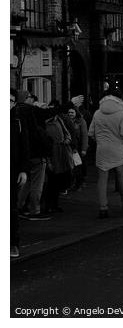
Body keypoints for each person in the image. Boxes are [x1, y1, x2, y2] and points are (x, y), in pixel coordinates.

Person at [88, 89, 123, 218]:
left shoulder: (97, 113)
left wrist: (99, 140)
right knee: (121, 176)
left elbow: (91, 132)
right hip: (117, 148)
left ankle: (103, 207)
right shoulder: (122, 113)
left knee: (102, 179)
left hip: (102, 148)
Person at [15, 90, 53, 221]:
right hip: (37, 154)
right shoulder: (33, 116)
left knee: (26, 183)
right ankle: (34, 210)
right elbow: (42, 138)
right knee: (37, 184)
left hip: (25, 155)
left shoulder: (16, 114)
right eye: (30, 97)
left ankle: (18, 207)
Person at [11, 89, 29, 258]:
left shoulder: (17, 121)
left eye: (11, 101)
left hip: (13, 170)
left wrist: (24, 170)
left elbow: (24, 147)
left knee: (11, 208)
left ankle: (13, 243)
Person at [67, 105, 89, 192]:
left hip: (78, 146)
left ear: (76, 113)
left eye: (72, 112)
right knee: (70, 166)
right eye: (69, 112)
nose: (70, 114)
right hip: (69, 146)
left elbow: (84, 135)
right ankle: (71, 183)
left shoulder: (81, 121)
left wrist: (84, 149)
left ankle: (78, 184)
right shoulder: (66, 121)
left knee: (77, 166)